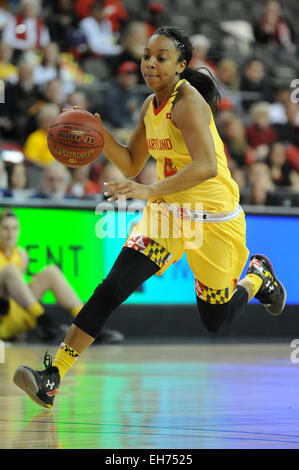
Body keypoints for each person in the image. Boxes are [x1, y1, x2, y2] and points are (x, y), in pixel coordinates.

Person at [14, 26, 286, 409]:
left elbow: (207, 166)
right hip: (169, 215)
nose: (150, 64)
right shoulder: (149, 105)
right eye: (146, 56)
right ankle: (52, 376)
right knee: (112, 288)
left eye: (161, 57)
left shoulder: (188, 102)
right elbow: (131, 163)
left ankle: (257, 276)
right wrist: (98, 131)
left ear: (180, 65)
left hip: (215, 220)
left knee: (216, 319)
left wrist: (148, 190)